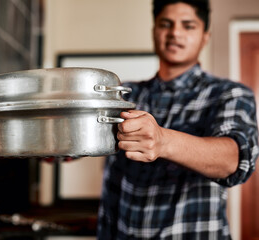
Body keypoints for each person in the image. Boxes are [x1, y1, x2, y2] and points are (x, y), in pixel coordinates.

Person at [97, 0, 259, 239]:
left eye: (188, 25)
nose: (175, 33)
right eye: (166, 24)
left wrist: (163, 140)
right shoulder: (124, 94)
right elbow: (84, 137)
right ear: (154, 31)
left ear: (205, 36)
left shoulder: (230, 94)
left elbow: (234, 160)